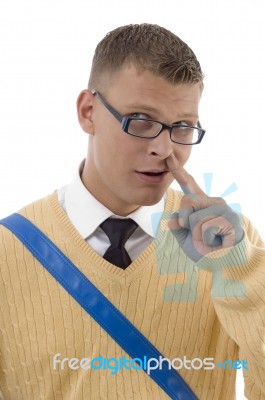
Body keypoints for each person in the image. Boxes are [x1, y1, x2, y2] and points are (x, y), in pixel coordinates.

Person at [0, 23, 264, 400]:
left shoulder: (231, 247)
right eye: (141, 120)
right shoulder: (6, 255)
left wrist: (238, 268)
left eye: (183, 127)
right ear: (88, 111)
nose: (163, 148)